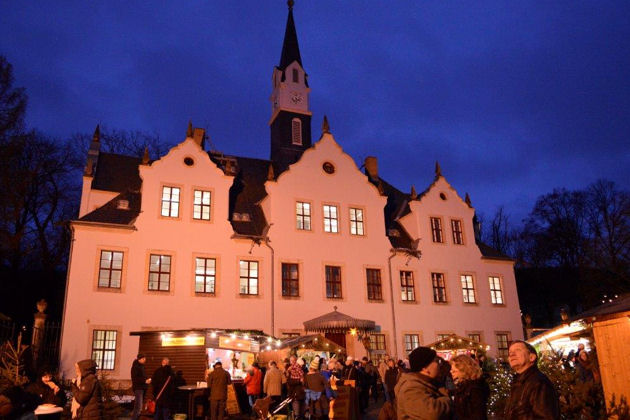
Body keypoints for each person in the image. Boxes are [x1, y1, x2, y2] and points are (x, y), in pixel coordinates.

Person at [504, 340, 560, 420]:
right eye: (510, 353)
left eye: (518, 350)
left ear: (531, 357)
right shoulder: (517, 382)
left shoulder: (539, 382)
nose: (512, 355)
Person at [394, 347, 452, 420]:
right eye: (436, 361)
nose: (439, 365)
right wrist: (448, 399)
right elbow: (432, 413)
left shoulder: (424, 382)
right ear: (425, 368)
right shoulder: (411, 389)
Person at [449, 354, 489, 420]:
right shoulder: (463, 386)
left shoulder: (474, 388)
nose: (451, 372)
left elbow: (478, 414)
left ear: (463, 370)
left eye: (454, 371)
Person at [130, 354, 150, 420]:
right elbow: (135, 378)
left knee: (138, 406)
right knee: (138, 407)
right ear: (140, 359)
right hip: (138, 388)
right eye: (143, 358)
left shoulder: (141, 366)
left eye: (145, 358)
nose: (145, 360)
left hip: (142, 388)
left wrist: (147, 380)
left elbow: (142, 376)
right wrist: (145, 381)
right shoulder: (136, 367)